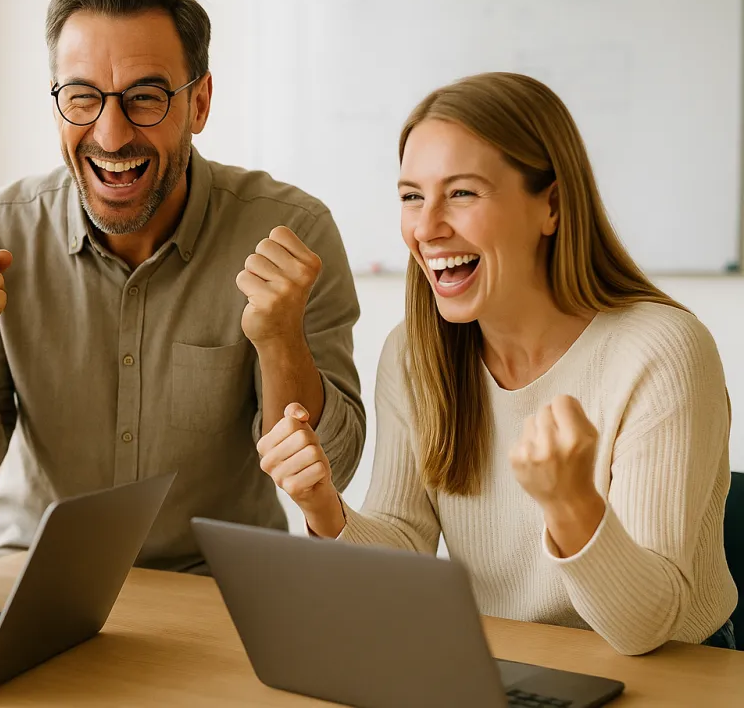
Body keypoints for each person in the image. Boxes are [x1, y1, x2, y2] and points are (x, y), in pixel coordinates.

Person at [259, 71, 738, 655]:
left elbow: (646, 627)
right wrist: (325, 510)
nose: (427, 227)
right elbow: (405, 544)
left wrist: (571, 504)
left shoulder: (661, 350)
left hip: (674, 673)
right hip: (505, 662)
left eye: (462, 193)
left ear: (552, 207)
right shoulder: (413, 354)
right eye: (412, 195)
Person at [0, 0, 366, 572]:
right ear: (57, 104)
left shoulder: (291, 234)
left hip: (222, 579)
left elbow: (329, 469)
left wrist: (281, 339)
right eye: (81, 98)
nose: (110, 132)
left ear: (200, 102)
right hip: (40, 567)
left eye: (145, 99)